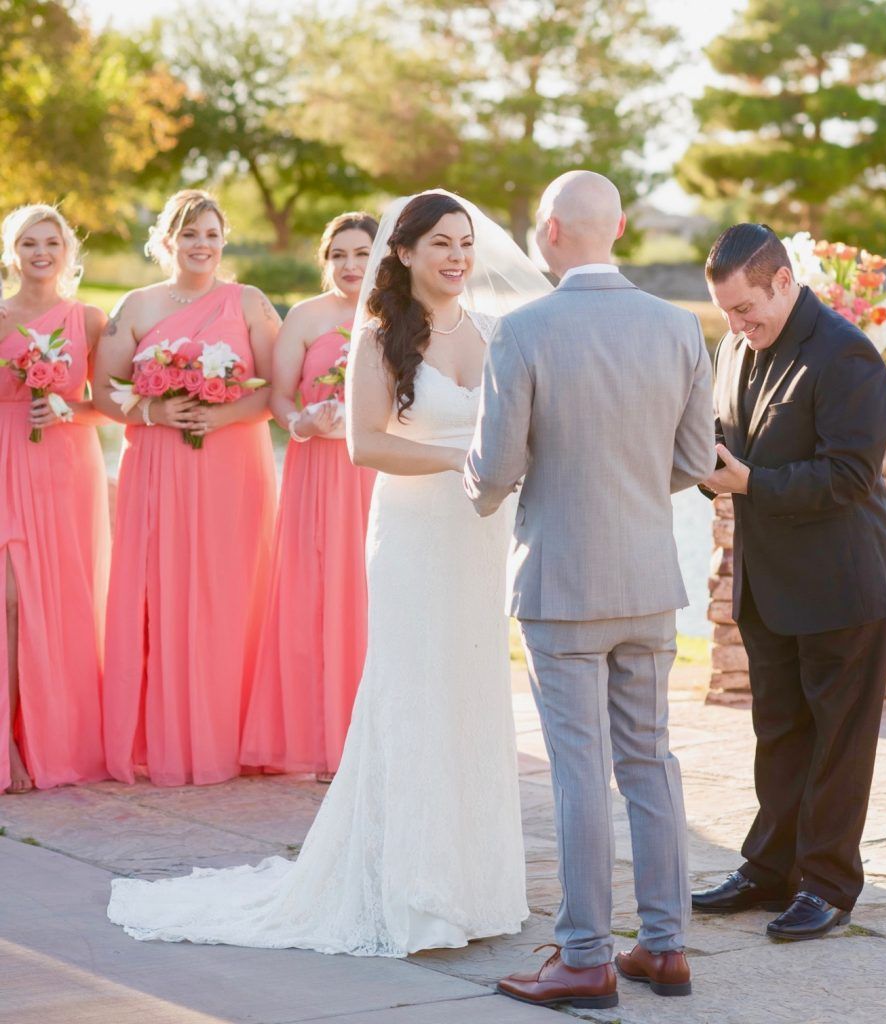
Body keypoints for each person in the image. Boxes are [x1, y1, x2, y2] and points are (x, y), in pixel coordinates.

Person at [106, 189, 549, 956]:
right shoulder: (378, 339)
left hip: (479, 539)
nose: (455, 257)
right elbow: (365, 446)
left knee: (472, 695)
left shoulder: (490, 331)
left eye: (464, 243)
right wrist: (463, 460)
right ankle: (409, 889)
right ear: (403, 253)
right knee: (410, 694)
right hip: (413, 534)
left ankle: (476, 888)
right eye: (439, 243)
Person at [466, 171, 716, 1009]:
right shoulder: (679, 327)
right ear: (614, 229)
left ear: (550, 230)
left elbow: (494, 470)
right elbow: (693, 462)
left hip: (561, 583)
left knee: (578, 772)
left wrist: (473, 486)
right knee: (650, 761)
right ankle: (665, 946)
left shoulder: (523, 330)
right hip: (648, 580)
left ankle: (582, 956)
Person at [693, 224, 886, 940]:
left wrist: (749, 482)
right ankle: (767, 869)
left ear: (783, 280)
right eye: (725, 312)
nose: (736, 325)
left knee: (837, 742)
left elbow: (847, 477)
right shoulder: (732, 346)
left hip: (842, 582)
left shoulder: (847, 354)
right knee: (777, 732)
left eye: (746, 308)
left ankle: (829, 886)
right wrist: (699, 466)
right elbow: (727, 444)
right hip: (766, 581)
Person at [94, 190, 278, 787]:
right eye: (189, 233)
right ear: (167, 241)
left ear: (224, 240)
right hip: (158, 467)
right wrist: (154, 414)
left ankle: (228, 736)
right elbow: (104, 393)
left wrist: (219, 416)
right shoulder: (137, 305)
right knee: (164, 590)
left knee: (227, 592)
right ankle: (169, 738)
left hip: (231, 466)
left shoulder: (250, 302)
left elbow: (276, 389)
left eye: (212, 233)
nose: (202, 245)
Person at [241, 212, 378, 783]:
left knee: (373, 592)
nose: (349, 266)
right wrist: (302, 423)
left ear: (382, 257)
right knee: (316, 592)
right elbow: (277, 398)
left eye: (361, 253)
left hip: (379, 470)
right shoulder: (304, 316)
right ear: (325, 260)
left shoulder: (399, 315)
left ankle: (376, 738)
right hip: (317, 468)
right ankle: (322, 742)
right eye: (338, 254)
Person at [0, 204, 110, 794]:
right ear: (11, 253)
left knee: (59, 600)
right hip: (5, 459)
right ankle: (10, 746)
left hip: (66, 466)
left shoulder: (88, 319)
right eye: (27, 243)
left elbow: (111, 405)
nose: (40, 253)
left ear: (67, 250)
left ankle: (50, 740)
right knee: (10, 601)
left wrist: (66, 409)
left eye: (50, 242)